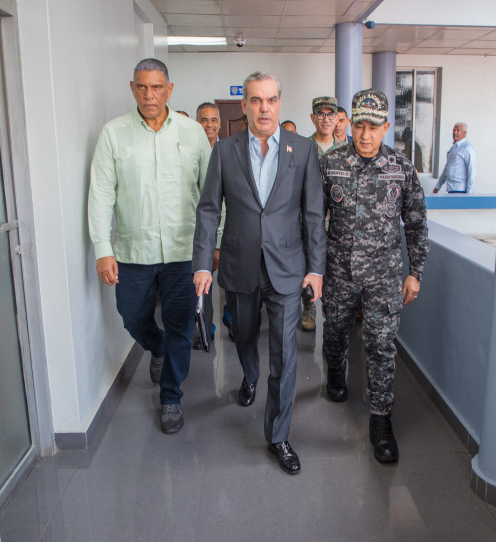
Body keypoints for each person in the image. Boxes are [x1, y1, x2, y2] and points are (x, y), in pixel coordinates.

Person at [193, 71, 326, 475]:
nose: (264, 108)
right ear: (245, 106)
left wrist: (316, 269)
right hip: (240, 265)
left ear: (279, 103)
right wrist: (202, 264)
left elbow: (313, 213)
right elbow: (209, 210)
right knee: (244, 335)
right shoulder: (225, 151)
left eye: (270, 100)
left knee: (285, 356)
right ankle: (249, 376)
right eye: (255, 100)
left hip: (287, 268)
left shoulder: (303, 150)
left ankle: (278, 435)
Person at [88, 58, 211, 434]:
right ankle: (156, 347)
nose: (149, 95)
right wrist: (102, 248)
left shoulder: (193, 133)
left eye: (157, 87)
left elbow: (210, 194)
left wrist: (214, 245)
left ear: (169, 90)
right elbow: (101, 193)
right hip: (132, 252)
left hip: (183, 252)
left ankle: (171, 396)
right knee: (131, 316)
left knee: (180, 326)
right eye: (142, 87)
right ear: (132, 88)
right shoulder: (114, 134)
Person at [320, 89, 428, 464]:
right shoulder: (330, 164)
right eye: (360, 126)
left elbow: (416, 223)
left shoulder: (401, 168)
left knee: (381, 345)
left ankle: (381, 418)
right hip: (339, 271)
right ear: (350, 124)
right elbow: (312, 220)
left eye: (374, 127)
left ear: (386, 127)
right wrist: (313, 268)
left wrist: (415, 272)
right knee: (335, 330)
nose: (366, 135)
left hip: (384, 274)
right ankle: (336, 372)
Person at [302, 96, 346, 332]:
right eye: (321, 114)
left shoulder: (345, 151)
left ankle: (330, 309)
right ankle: (309, 307)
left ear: (337, 118)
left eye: (331, 115)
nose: (326, 119)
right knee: (308, 265)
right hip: (309, 222)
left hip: (337, 225)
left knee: (333, 271)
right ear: (313, 118)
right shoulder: (303, 148)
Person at [195, 102, 233, 343]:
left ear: (219, 123)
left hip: (229, 232)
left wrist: (219, 241)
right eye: (203, 120)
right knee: (203, 283)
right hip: (201, 233)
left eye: (213, 120)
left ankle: (231, 318)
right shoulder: (190, 153)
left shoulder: (230, 152)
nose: (209, 124)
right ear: (196, 123)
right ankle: (205, 326)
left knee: (232, 282)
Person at [433, 122, 476, 194]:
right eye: (454, 130)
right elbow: (447, 168)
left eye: (458, 130)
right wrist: (437, 186)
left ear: (464, 133)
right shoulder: (453, 148)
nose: (455, 132)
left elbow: (471, 171)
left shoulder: (467, 148)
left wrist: (469, 194)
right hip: (451, 189)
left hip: (461, 190)